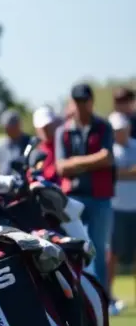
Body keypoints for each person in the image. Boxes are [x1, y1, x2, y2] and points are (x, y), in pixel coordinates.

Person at [55, 83, 116, 290]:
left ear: (91, 102)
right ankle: (79, 294)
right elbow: (62, 168)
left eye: (84, 101)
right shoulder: (63, 131)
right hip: (72, 198)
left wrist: (75, 162)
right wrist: (93, 160)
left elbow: (107, 158)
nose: (81, 105)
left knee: (99, 249)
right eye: (77, 101)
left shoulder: (103, 127)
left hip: (100, 197)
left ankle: (103, 297)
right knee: (74, 249)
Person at [107, 111, 135, 314]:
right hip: (115, 209)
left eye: (121, 129)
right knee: (112, 254)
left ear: (128, 128)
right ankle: (108, 296)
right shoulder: (108, 149)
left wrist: (119, 173)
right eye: (115, 130)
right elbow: (110, 174)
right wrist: (129, 172)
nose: (119, 133)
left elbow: (116, 173)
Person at [0, 109, 35, 175]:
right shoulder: (0, 144)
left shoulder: (30, 142)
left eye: (11, 126)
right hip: (3, 180)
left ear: (18, 125)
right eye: (6, 127)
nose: (7, 129)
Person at [29, 106, 62, 183]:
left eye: (48, 126)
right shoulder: (35, 149)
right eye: (42, 128)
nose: (45, 130)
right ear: (36, 129)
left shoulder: (64, 143)